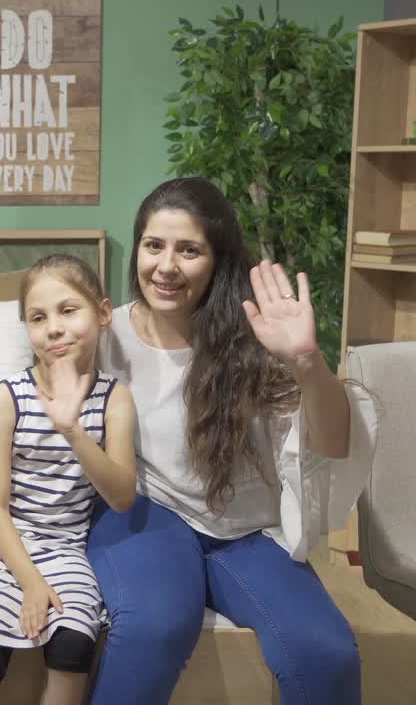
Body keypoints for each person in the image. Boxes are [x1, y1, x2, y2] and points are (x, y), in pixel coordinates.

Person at [88, 176, 377, 704]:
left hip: (243, 530)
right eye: (154, 246)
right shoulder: (104, 335)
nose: (166, 266)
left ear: (218, 261)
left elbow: (334, 445)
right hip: (148, 511)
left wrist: (306, 361)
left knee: (326, 653)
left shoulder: (257, 336)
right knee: (155, 627)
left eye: (189, 250)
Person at [0, 255, 137, 705]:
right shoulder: (8, 397)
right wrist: (30, 581)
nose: (53, 328)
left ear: (103, 313)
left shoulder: (115, 399)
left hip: (65, 545)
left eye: (69, 310)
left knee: (74, 645)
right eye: (38, 317)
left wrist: (73, 429)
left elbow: (123, 496)